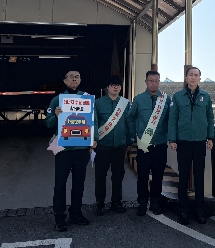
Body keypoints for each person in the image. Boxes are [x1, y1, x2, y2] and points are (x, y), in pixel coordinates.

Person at [46, 70, 92, 232]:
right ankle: (59, 217)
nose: (74, 79)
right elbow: (48, 123)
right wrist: (56, 116)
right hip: (63, 149)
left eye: (77, 76)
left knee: (79, 183)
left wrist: (94, 140)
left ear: (80, 80)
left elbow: (93, 121)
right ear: (65, 81)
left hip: (82, 148)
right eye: (71, 77)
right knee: (60, 184)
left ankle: (76, 213)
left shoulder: (86, 99)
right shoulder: (57, 100)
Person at [169, 66, 214, 225]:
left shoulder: (206, 97)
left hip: (200, 141)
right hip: (183, 141)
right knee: (183, 175)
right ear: (186, 78)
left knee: (199, 176)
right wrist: (172, 139)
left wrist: (210, 137)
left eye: (196, 75)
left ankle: (199, 210)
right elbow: (173, 119)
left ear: (200, 78)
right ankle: (183, 210)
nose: (193, 77)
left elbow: (210, 118)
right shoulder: (177, 96)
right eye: (191, 75)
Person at [127, 70, 171, 217]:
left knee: (158, 175)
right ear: (146, 82)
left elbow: (170, 120)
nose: (154, 83)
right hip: (143, 145)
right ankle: (142, 202)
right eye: (151, 81)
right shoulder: (138, 99)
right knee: (143, 175)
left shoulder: (166, 99)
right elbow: (130, 118)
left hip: (160, 144)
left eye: (156, 81)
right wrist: (134, 135)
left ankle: (155, 202)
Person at [93, 75, 132, 216]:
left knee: (118, 175)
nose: (115, 87)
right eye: (113, 85)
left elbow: (129, 123)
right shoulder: (98, 103)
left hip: (120, 144)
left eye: (118, 85)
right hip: (103, 144)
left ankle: (116, 201)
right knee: (100, 175)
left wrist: (129, 140)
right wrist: (94, 139)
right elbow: (94, 122)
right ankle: (100, 203)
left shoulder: (125, 104)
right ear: (107, 87)